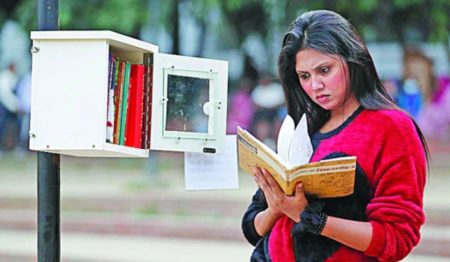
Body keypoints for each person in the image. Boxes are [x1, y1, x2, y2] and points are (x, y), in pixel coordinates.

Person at [241, 10, 428, 261]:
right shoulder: (301, 127)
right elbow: (253, 228)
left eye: (324, 70)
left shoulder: (391, 128)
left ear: (352, 60)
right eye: (304, 76)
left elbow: (396, 238)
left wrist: (314, 219)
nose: (315, 86)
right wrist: (275, 208)